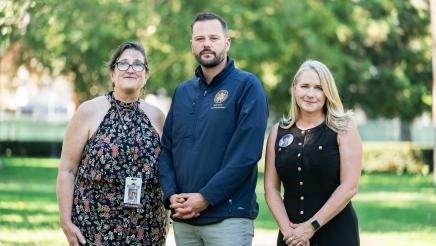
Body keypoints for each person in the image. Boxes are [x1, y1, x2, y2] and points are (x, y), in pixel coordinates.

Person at [159, 12, 268, 246]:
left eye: (213, 38)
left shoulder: (247, 86)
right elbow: (167, 148)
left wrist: (206, 198)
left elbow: (246, 155)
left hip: (227, 220)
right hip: (184, 220)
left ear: (227, 43)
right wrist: (170, 195)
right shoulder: (183, 92)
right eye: (199, 39)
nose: (206, 44)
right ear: (192, 44)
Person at [56, 41, 167, 246]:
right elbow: (67, 170)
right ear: (112, 73)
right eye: (123, 63)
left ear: (146, 75)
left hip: (148, 228)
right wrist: (65, 221)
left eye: (137, 64)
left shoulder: (157, 117)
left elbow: (167, 172)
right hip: (94, 226)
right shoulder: (88, 111)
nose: (130, 69)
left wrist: (166, 221)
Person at [264, 60, 362, 246]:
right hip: (291, 237)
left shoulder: (344, 128)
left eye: (318, 88)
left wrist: (311, 227)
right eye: (304, 86)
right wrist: (289, 232)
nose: (310, 94)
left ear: (327, 92)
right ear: (294, 89)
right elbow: (271, 188)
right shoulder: (279, 131)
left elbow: (349, 186)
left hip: (336, 234)